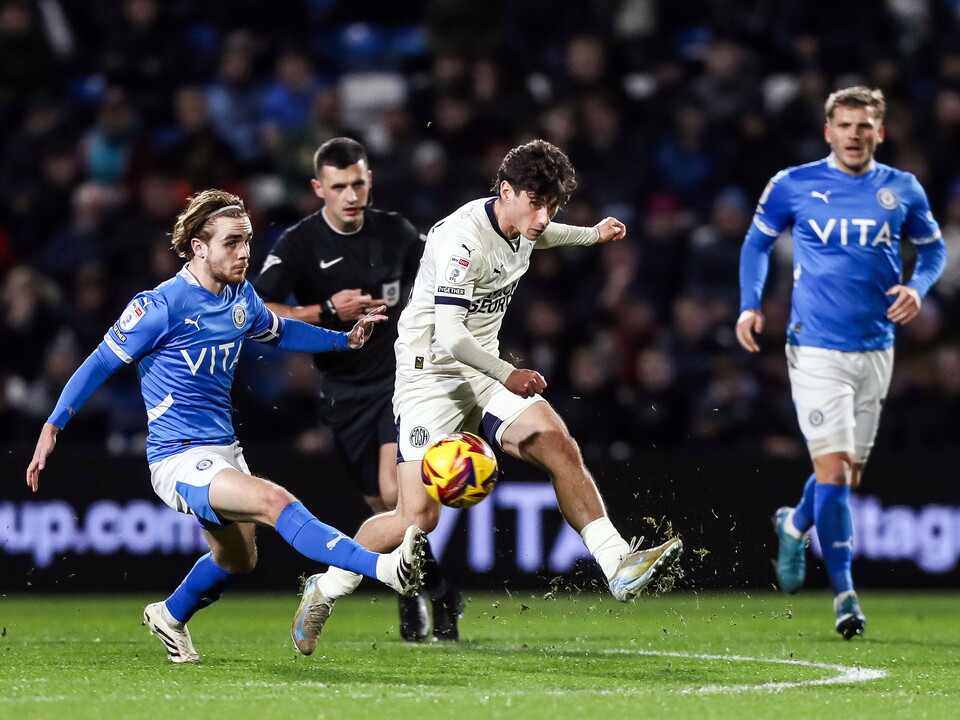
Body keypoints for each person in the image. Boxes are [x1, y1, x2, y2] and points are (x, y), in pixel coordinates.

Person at [289, 138, 684, 651]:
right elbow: (451, 336)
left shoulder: (523, 224)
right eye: (537, 203)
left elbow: (539, 237)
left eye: (554, 205)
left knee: (554, 440)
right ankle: (324, 588)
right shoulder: (462, 239)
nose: (544, 217)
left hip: (480, 371)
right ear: (506, 191)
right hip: (429, 374)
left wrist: (592, 234)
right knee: (417, 519)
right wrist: (509, 372)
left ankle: (617, 565)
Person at [25, 189, 427, 663]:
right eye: (232, 242)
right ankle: (384, 568)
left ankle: (169, 616)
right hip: (178, 456)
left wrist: (346, 341)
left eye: (248, 241)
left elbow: (281, 331)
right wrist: (53, 425)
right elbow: (97, 363)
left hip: (223, 449)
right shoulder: (160, 306)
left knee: (238, 560)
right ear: (199, 247)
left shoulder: (240, 297)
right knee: (275, 501)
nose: (244, 252)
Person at [736, 87, 946, 639]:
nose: (855, 134)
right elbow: (757, 245)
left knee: (846, 475)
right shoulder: (793, 184)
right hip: (815, 348)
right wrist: (749, 305)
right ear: (828, 132)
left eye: (865, 125)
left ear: (881, 132)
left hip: (876, 347)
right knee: (833, 470)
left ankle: (795, 521)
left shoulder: (901, 189)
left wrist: (919, 287)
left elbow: (933, 249)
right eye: (845, 125)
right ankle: (846, 596)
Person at [254, 137, 463, 643]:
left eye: (359, 183)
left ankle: (418, 594)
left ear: (370, 180)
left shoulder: (397, 233)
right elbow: (257, 312)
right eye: (339, 186)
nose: (351, 195)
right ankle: (433, 590)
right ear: (318, 188)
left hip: (402, 380)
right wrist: (325, 312)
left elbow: (442, 283)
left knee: (397, 492)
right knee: (382, 511)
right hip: (343, 390)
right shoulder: (299, 245)